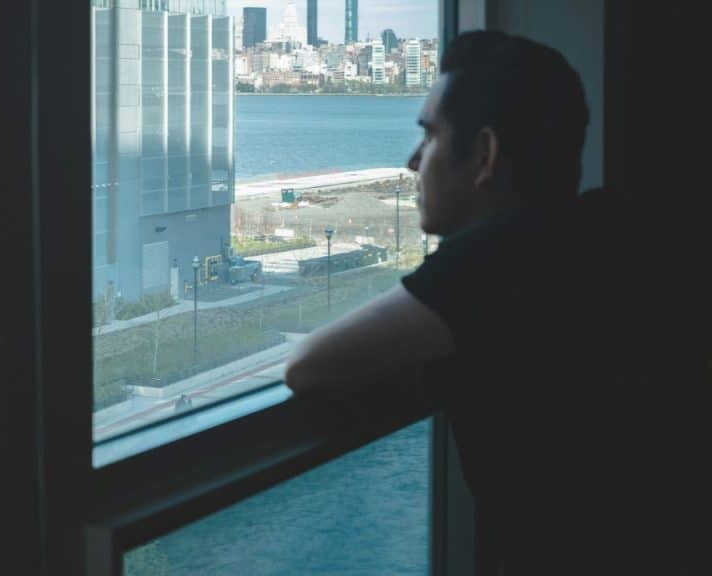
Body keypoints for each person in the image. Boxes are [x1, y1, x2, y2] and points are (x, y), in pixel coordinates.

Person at [285, 31, 707, 574]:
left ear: (484, 154)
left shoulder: (500, 260)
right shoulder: (611, 230)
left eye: (430, 136)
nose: (414, 162)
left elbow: (310, 366)